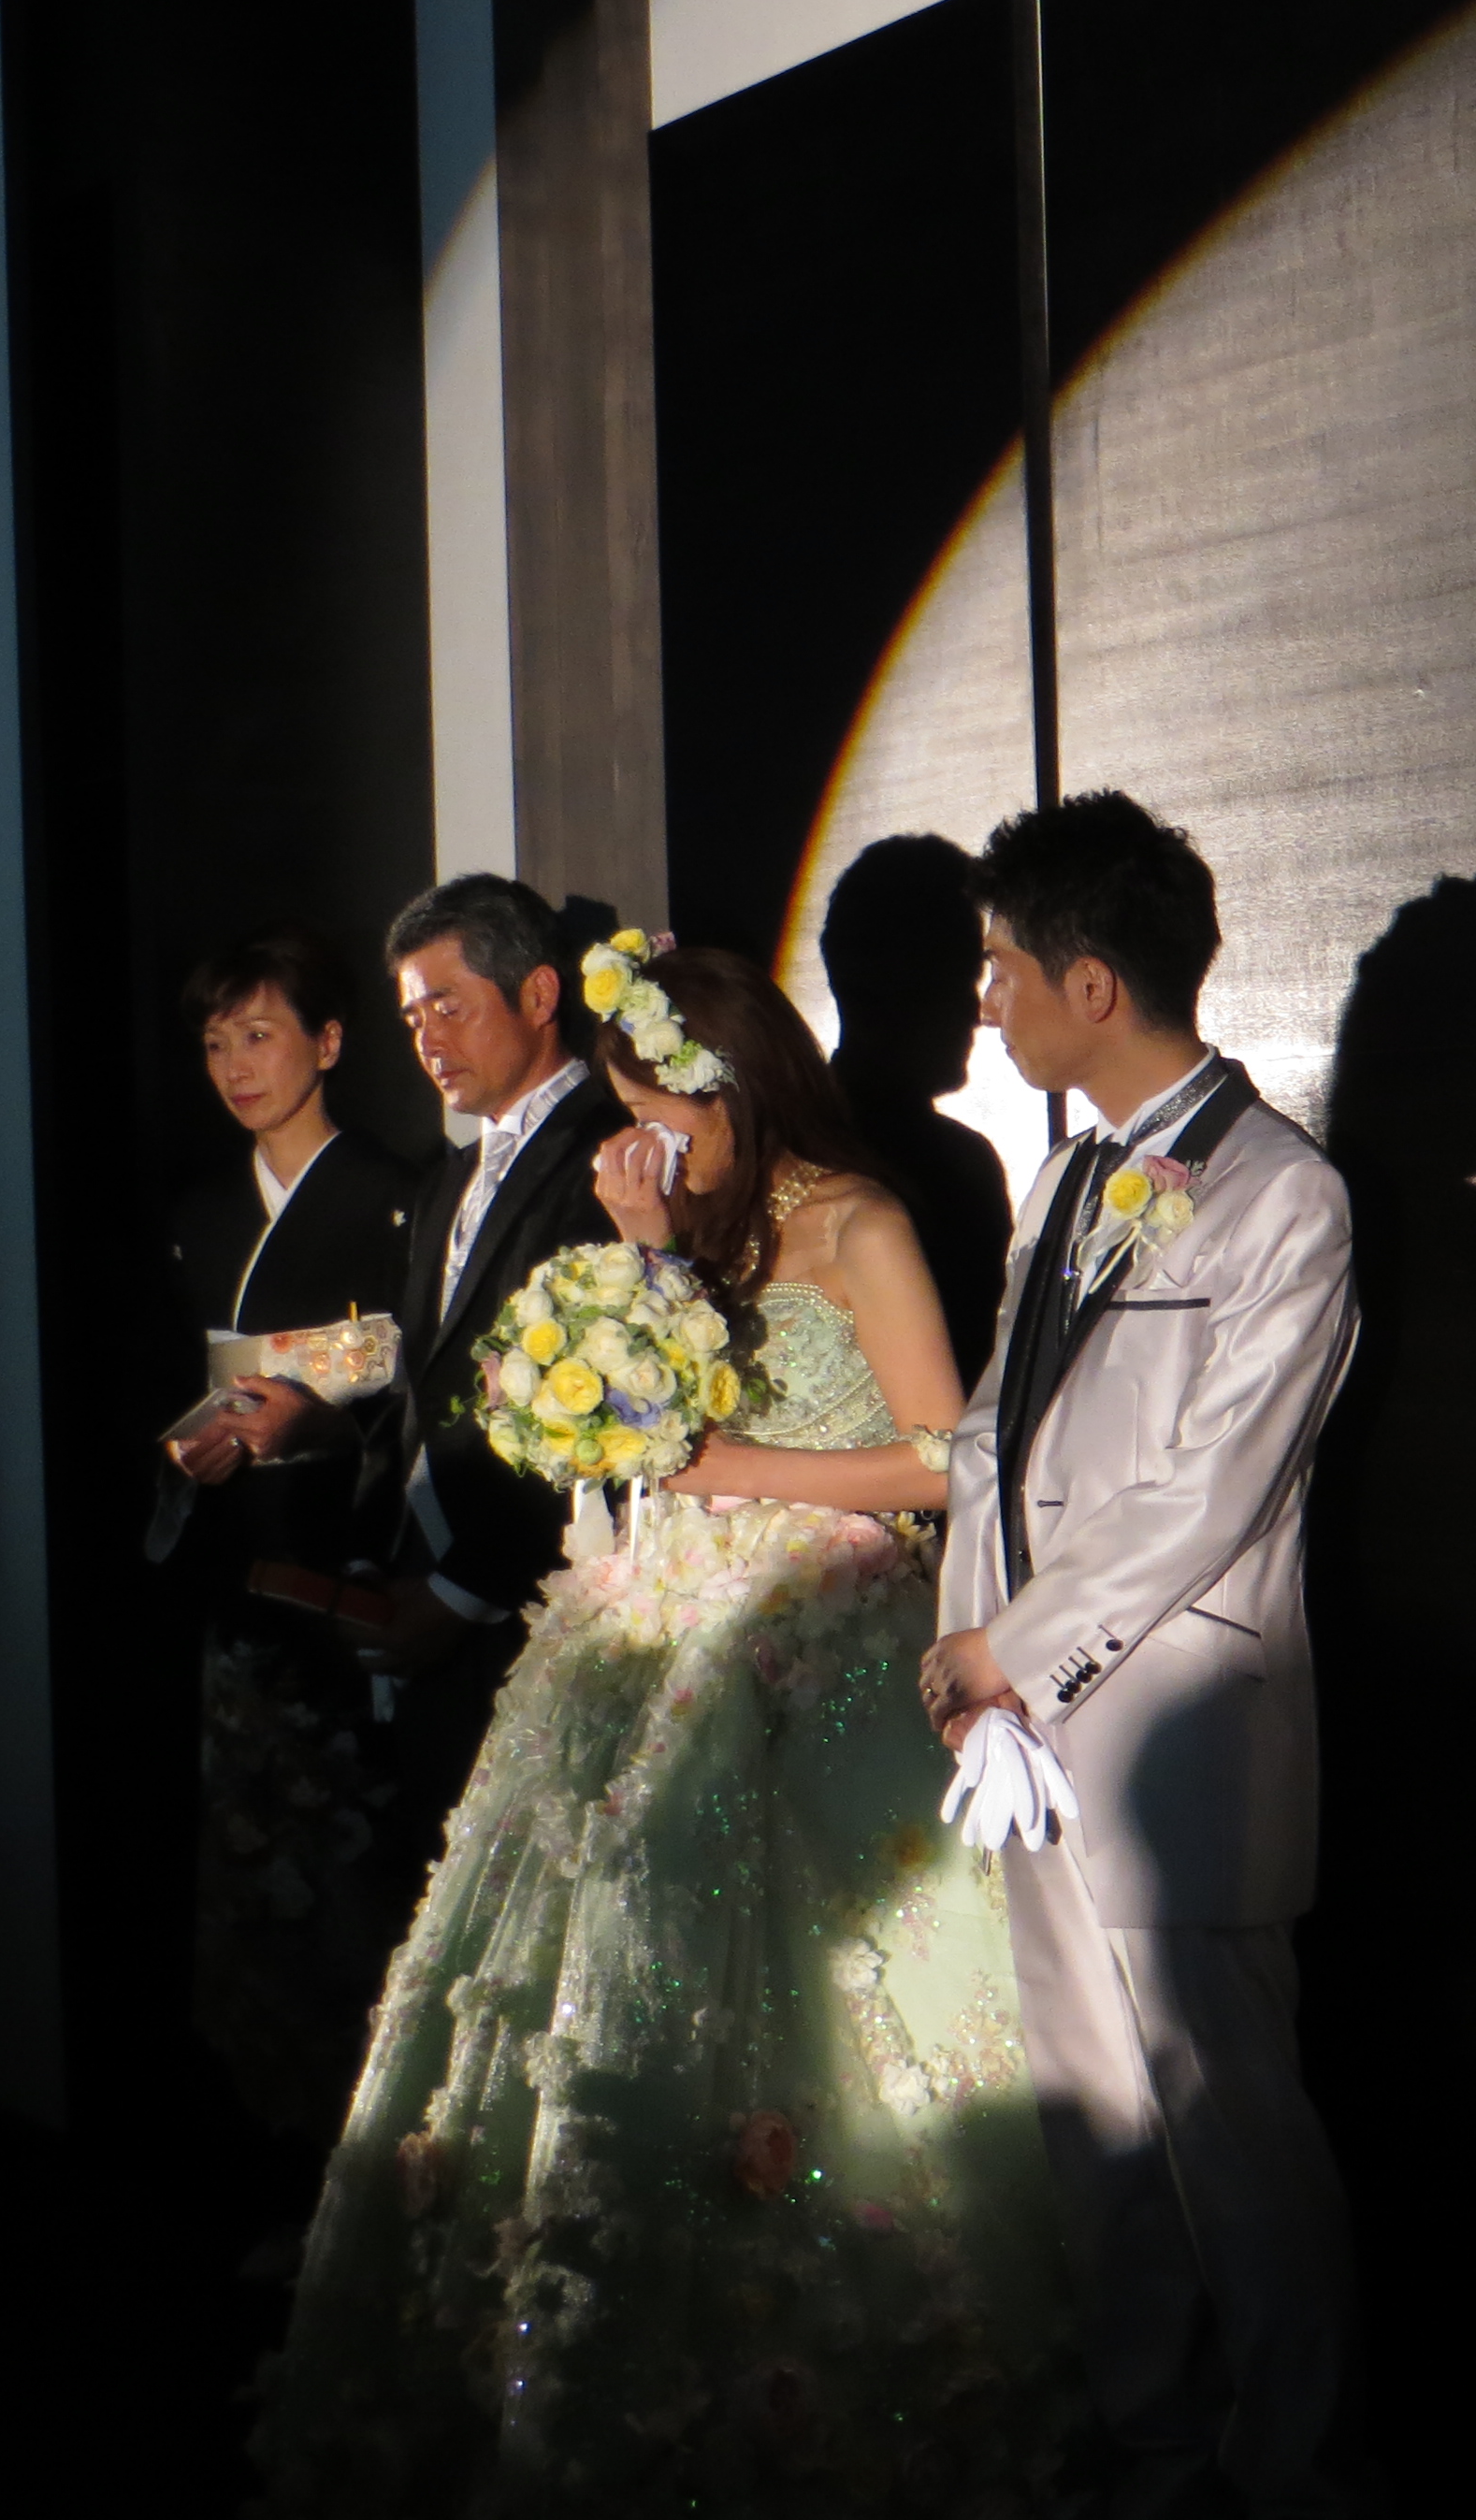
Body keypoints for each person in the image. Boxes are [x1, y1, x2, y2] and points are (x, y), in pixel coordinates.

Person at [253, 940, 1078, 2510]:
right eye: (629, 1109)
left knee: (834, 2001)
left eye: (663, 1110)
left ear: (741, 1086)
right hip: (660, 1610)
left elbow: (943, 1457)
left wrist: (734, 1472)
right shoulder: (681, 1221)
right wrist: (643, 1256)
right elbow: (651, 1420)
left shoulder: (862, 1217)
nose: (646, 1139)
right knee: (596, 1958)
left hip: (818, 1622)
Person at [917, 789, 1374, 2518]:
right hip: (1027, 1734)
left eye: (1001, 970)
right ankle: (1153, 2453)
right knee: (1092, 2133)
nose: (986, 1005)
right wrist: (967, 1653)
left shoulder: (1283, 1195)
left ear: (1091, 984)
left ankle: (1300, 2470)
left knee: (1232, 2142)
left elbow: (1215, 1487)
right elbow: (990, 1437)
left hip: (1179, 1731)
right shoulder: (1062, 1180)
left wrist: (1014, 1651)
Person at [152, 927, 424, 2137]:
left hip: (352, 1574)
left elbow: (428, 1392)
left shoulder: (401, 1198)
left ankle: (378, 2161)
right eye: (217, 1044)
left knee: (363, 1889)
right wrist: (186, 1444)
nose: (236, 1067)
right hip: (239, 1576)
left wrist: (320, 1423)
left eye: (259, 1035)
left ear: (328, 1041)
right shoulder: (202, 1215)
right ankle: (277, 2150)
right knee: (253, 1894)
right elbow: (170, 1378)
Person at [326, 874, 634, 1832]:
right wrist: (371, 1556)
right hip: (421, 1591)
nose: (428, 1040)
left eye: (448, 1007)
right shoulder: (445, 1179)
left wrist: (461, 1593)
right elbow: (417, 1387)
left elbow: (608, 1403)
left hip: (537, 1604)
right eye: (412, 1018)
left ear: (539, 995)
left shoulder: (613, 1154)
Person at [821, 832, 1017, 1386]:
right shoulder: (959, 1168)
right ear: (899, 987)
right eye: (963, 981)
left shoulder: (778, 1139)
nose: (978, 1013)